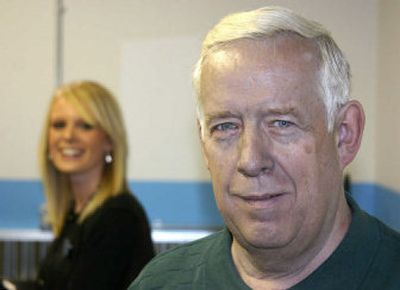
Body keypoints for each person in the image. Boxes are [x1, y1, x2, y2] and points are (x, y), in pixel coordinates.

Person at [129, 6, 400, 289]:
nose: (251, 160)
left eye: (281, 123)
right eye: (225, 126)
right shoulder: (159, 283)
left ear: (345, 135)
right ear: (203, 144)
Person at [35, 80, 155, 290]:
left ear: (109, 140)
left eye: (85, 126)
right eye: (59, 125)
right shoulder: (77, 212)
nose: (68, 136)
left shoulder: (118, 217)